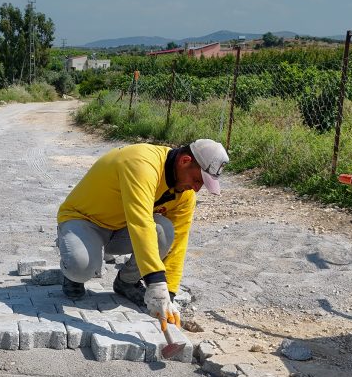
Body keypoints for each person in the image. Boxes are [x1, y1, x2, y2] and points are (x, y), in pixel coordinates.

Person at [55, 138, 229, 329]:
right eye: (197, 180)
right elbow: (141, 223)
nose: (196, 188)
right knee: (81, 267)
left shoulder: (185, 195)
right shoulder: (142, 163)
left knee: (164, 231)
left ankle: (126, 282)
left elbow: (178, 242)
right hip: (84, 221)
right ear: (184, 161)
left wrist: (168, 295)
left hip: (122, 227)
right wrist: (155, 282)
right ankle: (72, 265)